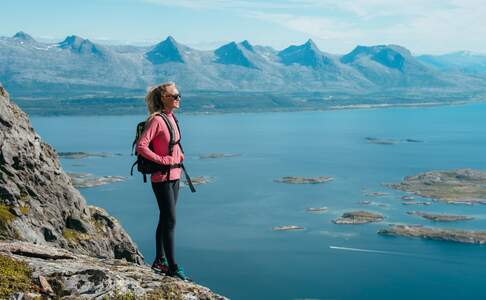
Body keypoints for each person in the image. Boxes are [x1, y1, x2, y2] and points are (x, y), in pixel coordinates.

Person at [136, 82, 189, 281]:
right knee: (171, 220)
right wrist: (163, 160)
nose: (178, 98)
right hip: (162, 177)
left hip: (175, 176)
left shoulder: (171, 117)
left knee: (165, 218)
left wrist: (179, 154)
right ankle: (172, 267)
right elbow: (142, 147)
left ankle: (160, 260)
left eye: (179, 95)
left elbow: (171, 143)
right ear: (163, 99)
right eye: (174, 95)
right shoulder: (156, 120)